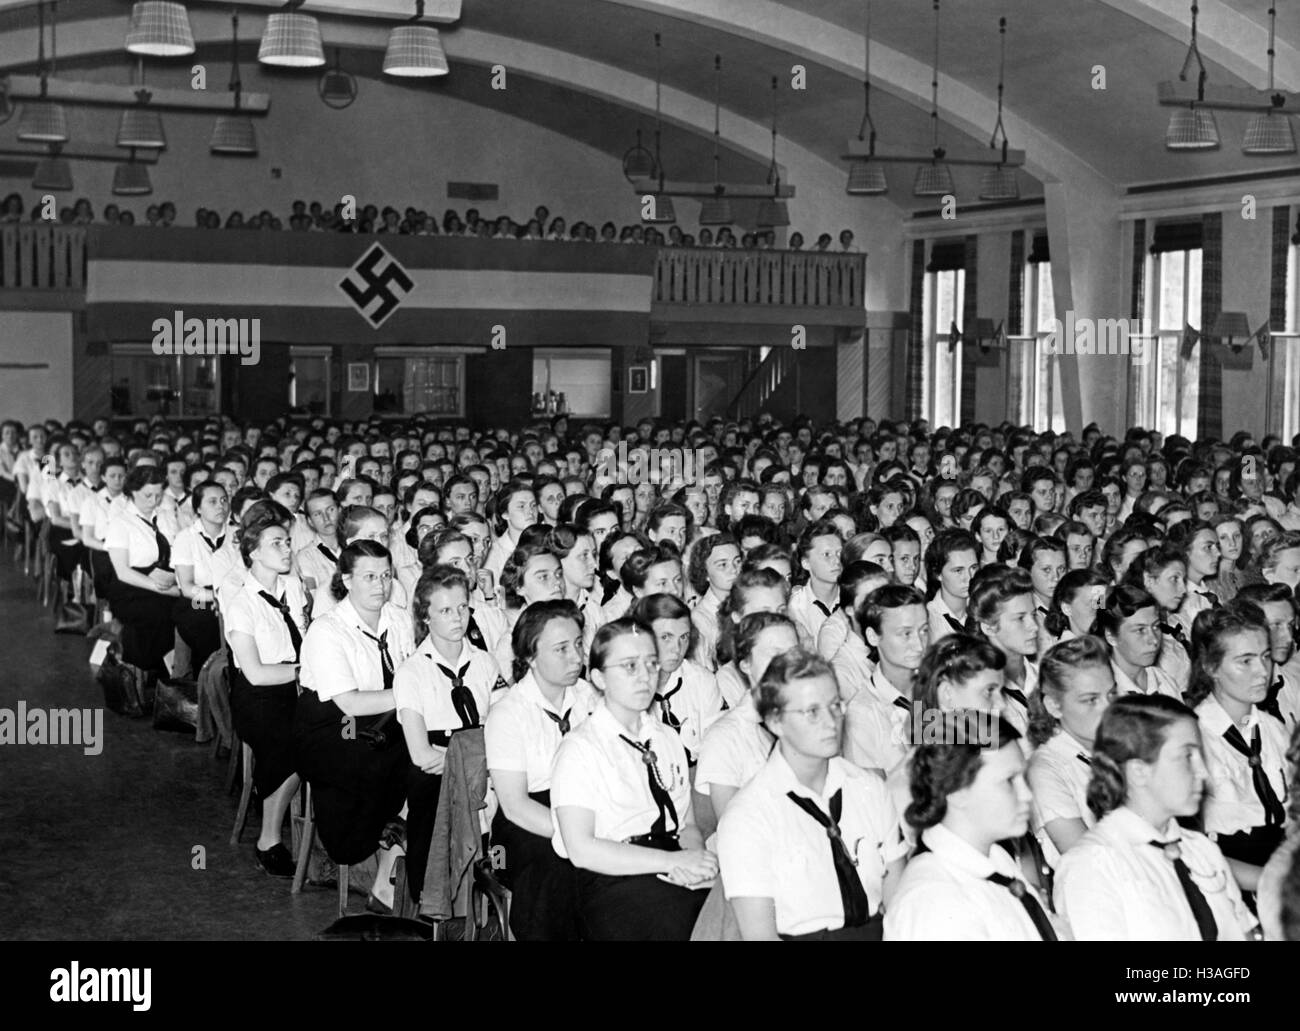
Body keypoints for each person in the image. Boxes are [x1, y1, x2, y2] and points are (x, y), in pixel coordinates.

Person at [717, 650, 908, 940]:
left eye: (835, 706)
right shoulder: (749, 815)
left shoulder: (868, 788)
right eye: (811, 712)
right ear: (775, 721)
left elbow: (899, 906)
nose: (831, 722)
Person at [550, 618, 717, 939]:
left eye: (651, 664)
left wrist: (692, 863)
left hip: (673, 861)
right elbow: (583, 849)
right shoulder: (580, 748)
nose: (645, 676)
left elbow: (688, 825)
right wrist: (670, 862)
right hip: (614, 876)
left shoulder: (667, 738)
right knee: (686, 923)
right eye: (629, 666)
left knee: (741, 908)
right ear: (598, 678)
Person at [1054, 696, 1259, 940]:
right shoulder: (1093, 864)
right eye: (1187, 757)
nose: (1203, 773)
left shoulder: (1201, 849)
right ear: (1139, 770)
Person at [295, 541, 413, 910]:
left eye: (386, 575)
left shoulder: (399, 617)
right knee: (411, 767)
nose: (380, 584)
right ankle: (388, 856)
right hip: (334, 730)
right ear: (346, 580)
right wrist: (415, 697)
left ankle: (389, 874)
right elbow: (349, 703)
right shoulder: (327, 629)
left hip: (383, 722)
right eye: (368, 577)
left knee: (437, 757)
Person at [885, 711, 1064, 940]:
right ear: (957, 791)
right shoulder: (934, 901)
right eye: (1009, 781)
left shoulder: (997, 860)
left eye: (1023, 779)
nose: (1027, 795)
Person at [485, 599, 596, 940]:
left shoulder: (591, 697)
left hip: (584, 805)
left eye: (578, 644)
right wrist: (575, 836)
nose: (577, 657)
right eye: (562, 649)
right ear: (531, 657)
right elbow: (515, 805)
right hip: (525, 823)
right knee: (555, 867)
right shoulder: (508, 713)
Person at [394, 564, 504, 904]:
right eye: (445, 610)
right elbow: (421, 755)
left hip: (483, 765)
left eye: (463, 608)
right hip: (439, 774)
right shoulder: (412, 671)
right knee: (431, 807)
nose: (458, 617)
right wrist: (473, 768)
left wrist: (487, 767)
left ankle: (493, 891)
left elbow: (503, 726)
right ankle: (432, 902)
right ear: (425, 616)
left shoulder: (485, 663)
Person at [223, 503, 309, 876]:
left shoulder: (294, 587)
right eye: (277, 543)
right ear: (253, 552)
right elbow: (255, 673)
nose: (287, 549)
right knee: (292, 743)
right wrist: (305, 671)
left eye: (288, 542)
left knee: (334, 736)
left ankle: (324, 842)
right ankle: (268, 839)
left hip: (298, 689)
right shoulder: (242, 603)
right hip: (259, 697)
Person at [1186, 602, 1292, 894]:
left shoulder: (1272, 729)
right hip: (1227, 881)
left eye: (1265, 657)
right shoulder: (1192, 738)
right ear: (1211, 667)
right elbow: (1192, 848)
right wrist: (1277, 885)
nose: (1262, 671)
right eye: (1245, 661)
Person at [695, 613, 799, 829]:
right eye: (775, 654)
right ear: (745, 664)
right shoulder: (724, 736)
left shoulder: (812, 718)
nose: (788, 663)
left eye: (794, 653)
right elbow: (734, 828)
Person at [1026, 637, 1116, 866]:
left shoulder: (1118, 748)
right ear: (1054, 706)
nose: (1108, 709)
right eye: (1091, 700)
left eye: (1111, 695)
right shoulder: (1045, 769)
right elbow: (1088, 859)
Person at [104, 465, 179, 676]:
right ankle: (145, 676)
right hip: (131, 588)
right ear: (132, 492)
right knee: (158, 615)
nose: (153, 501)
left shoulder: (165, 516)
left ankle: (176, 675)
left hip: (165, 581)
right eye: (147, 495)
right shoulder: (121, 523)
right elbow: (122, 571)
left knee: (195, 608)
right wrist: (162, 588)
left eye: (158, 494)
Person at [171, 481, 233, 674]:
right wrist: (215, 597)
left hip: (229, 596)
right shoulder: (186, 538)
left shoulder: (235, 536)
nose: (220, 506)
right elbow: (187, 587)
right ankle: (206, 680)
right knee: (204, 620)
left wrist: (225, 598)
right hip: (197, 599)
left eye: (224, 500)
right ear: (198, 508)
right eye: (212, 502)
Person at [1096, 584, 1182, 698]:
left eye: (1156, 627)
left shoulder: (1166, 683)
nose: (1154, 640)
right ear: (1111, 636)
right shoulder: (1102, 692)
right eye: (1140, 630)